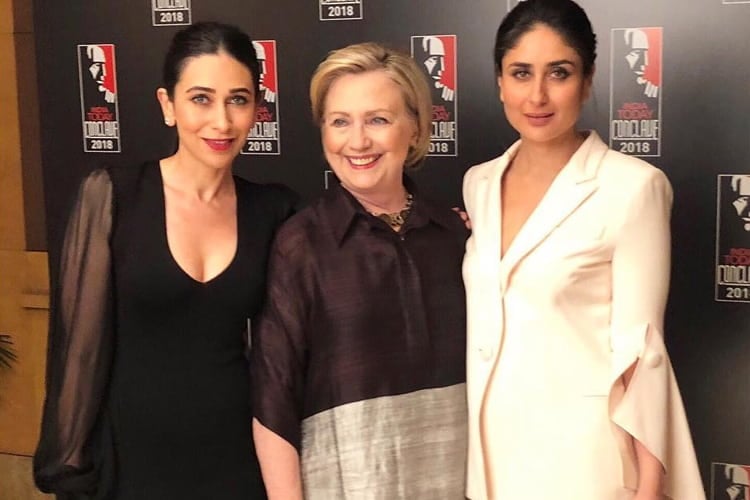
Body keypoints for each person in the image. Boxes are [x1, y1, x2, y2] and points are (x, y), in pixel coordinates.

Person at [34, 21, 296, 499]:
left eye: (238, 99)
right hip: (131, 465)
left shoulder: (274, 209)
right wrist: (71, 470)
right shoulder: (112, 195)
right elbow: (79, 351)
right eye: (201, 98)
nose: (221, 121)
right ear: (167, 105)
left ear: (257, 111)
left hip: (238, 463)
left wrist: (454, 224)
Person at [461, 1, 705, 499]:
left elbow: (643, 355)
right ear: (499, 82)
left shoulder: (633, 188)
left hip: (584, 466)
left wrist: (650, 487)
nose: (537, 94)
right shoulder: (478, 184)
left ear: (588, 81)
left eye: (560, 73)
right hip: (490, 461)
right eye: (521, 73)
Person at [251, 42, 468, 499]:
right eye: (340, 121)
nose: (358, 141)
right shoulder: (301, 245)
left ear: (415, 128)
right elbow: (275, 398)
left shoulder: (458, 237)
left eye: (378, 120)